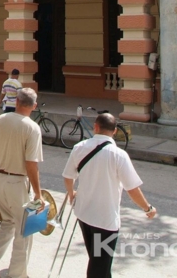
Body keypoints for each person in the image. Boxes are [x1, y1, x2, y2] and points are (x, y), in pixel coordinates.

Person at [63, 112, 157, 278]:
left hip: (83, 214)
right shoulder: (118, 155)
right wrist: (147, 208)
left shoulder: (80, 147)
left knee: (98, 261)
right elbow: (132, 189)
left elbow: (68, 176)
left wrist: (72, 195)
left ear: (96, 127)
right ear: (114, 131)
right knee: (99, 266)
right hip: (105, 221)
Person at [0, 88, 43, 278]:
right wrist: (38, 193)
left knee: (8, 222)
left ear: (16, 102)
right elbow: (31, 164)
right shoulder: (32, 128)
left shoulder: (0, 120)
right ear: (34, 106)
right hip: (17, 181)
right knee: (25, 230)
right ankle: (17, 274)